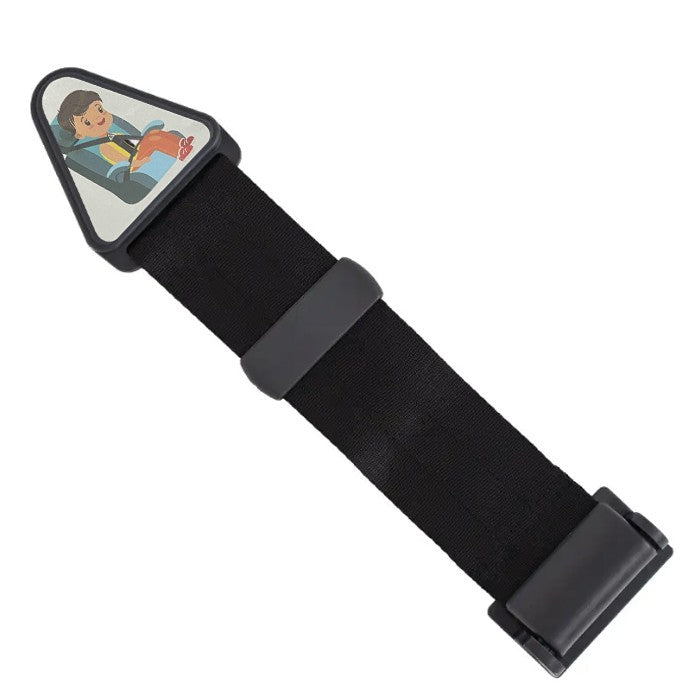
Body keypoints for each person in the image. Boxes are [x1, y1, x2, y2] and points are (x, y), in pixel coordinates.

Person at [57, 90, 193, 170]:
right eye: (87, 122)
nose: (99, 118)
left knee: (153, 135)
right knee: (153, 139)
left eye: (99, 110)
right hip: (135, 163)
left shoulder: (115, 134)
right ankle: (179, 152)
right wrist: (140, 161)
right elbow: (123, 162)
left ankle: (181, 144)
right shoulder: (105, 147)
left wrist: (144, 140)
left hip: (139, 151)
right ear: (80, 134)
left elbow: (135, 143)